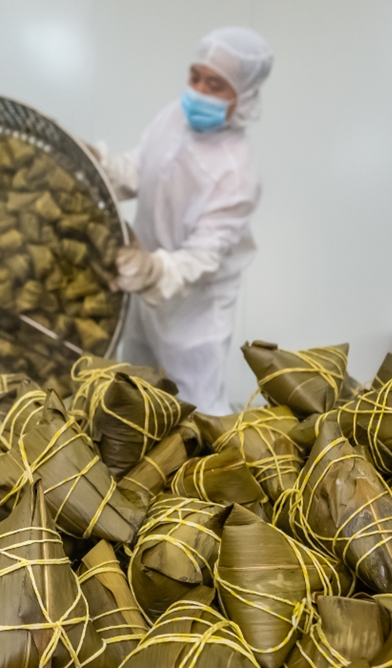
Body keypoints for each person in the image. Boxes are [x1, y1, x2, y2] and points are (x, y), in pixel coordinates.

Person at [95, 26, 273, 415]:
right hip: (146, 295)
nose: (198, 92)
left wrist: (153, 269)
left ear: (242, 97)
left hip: (194, 312)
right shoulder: (174, 116)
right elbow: (138, 171)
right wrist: (101, 167)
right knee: (134, 403)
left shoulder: (236, 171)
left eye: (215, 85)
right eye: (195, 77)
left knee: (194, 416)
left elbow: (202, 257)